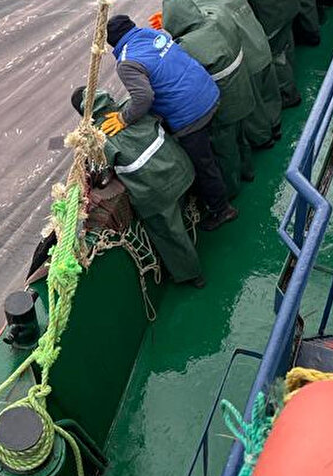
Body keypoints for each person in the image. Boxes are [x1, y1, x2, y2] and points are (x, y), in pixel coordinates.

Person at [105, 13, 237, 231]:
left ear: (112, 42)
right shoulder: (151, 34)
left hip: (190, 114)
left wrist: (123, 117)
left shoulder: (126, 62)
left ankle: (222, 210)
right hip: (209, 92)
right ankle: (236, 180)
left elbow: (143, 98)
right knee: (217, 147)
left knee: (203, 165)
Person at [72, 87, 205, 287]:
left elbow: (100, 173)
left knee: (166, 232)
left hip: (157, 192)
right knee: (180, 203)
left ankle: (191, 274)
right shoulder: (131, 107)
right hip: (182, 169)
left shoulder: (97, 138)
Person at [160, 0, 255, 198]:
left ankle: (231, 190)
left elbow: (175, 67)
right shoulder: (217, 20)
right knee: (241, 135)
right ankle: (248, 171)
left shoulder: (186, 44)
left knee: (224, 147)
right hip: (243, 87)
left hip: (224, 102)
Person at [186, 0, 283, 148]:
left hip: (248, 62)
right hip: (261, 45)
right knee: (269, 92)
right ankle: (276, 125)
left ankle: (264, 139)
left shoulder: (209, 12)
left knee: (254, 109)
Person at [247, 0, 302, 107]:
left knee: (276, 54)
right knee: (285, 40)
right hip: (287, 8)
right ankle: (290, 71)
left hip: (271, 15)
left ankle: (288, 94)